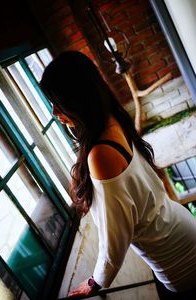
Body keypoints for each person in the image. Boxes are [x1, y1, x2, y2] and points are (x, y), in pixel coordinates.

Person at [40, 50, 196, 299]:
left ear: (77, 98)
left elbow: (114, 239)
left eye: (58, 103)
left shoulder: (100, 154)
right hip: (180, 231)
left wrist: (95, 282)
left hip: (179, 259)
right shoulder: (113, 119)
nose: (53, 112)